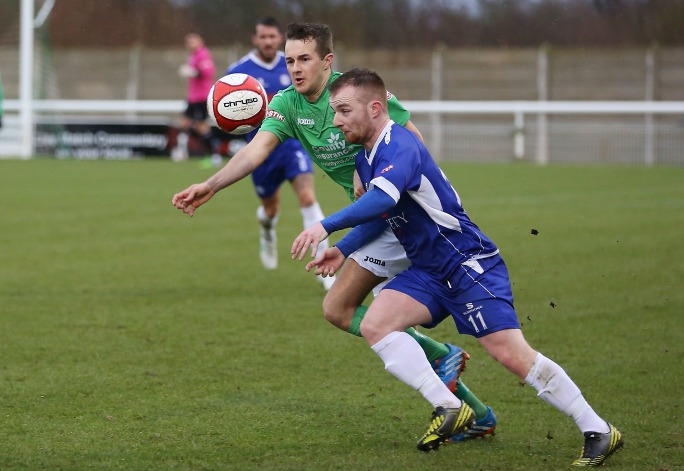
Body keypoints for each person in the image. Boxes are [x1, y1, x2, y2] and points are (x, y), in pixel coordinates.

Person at [172, 22, 496, 440]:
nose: (295, 68)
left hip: (400, 213)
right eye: (289, 60)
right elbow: (257, 148)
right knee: (380, 322)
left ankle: (447, 369)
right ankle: (477, 411)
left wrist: (387, 175)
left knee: (342, 309)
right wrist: (211, 184)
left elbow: (411, 141)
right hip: (375, 217)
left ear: (327, 61)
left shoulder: (356, 95)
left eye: (304, 59)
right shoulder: (287, 104)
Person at [292, 67, 623, 464]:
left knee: (510, 354)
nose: (336, 120)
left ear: (376, 107)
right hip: (429, 272)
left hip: (468, 264)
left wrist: (324, 226)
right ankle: (449, 406)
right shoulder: (366, 159)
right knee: (378, 323)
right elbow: (382, 216)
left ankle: (598, 429)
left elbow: (381, 200)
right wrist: (343, 249)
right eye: (334, 111)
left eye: (344, 110)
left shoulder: (401, 144)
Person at [225, 18, 333, 290]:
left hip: (293, 145)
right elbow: (228, 117)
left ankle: (326, 273)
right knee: (271, 209)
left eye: (273, 36)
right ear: (255, 39)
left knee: (307, 197)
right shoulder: (239, 74)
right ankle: (266, 229)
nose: (268, 42)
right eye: (263, 37)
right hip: (260, 151)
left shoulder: (295, 63)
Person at [173, 32, 222, 167]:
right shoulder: (193, 56)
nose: (190, 44)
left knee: (201, 127)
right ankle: (182, 151)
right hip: (193, 97)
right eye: (188, 42)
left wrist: (192, 72)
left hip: (202, 97)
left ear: (200, 41)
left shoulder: (203, 54)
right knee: (185, 123)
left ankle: (215, 154)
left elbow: (208, 72)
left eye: (193, 41)